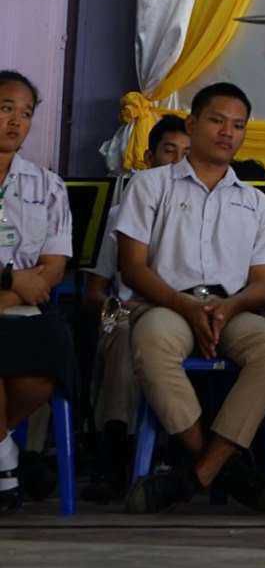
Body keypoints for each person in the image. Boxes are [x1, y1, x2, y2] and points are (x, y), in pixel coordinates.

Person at [116, 81, 265, 513]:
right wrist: (188, 307)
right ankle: (220, 466)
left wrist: (228, 307)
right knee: (152, 341)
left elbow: (262, 285)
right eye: (217, 120)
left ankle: (194, 476)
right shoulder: (149, 185)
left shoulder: (256, 202)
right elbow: (133, 267)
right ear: (192, 124)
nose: (227, 132)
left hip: (230, 309)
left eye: (238, 125)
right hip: (166, 303)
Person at [83, 113, 190, 481]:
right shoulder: (121, 213)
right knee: (122, 331)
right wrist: (115, 307)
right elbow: (94, 291)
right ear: (148, 158)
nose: (176, 163)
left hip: (177, 314)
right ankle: (116, 442)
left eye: (186, 155)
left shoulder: (201, 215)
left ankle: (165, 444)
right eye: (169, 152)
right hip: (122, 308)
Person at [0, 71, 75, 477]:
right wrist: (13, 279)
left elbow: (54, 267)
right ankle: (5, 466)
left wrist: (8, 297)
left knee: (42, 374)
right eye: (5, 109)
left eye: (25, 113)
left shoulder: (48, 185)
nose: (16, 122)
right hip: (16, 294)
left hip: (26, 310)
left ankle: (2, 451)